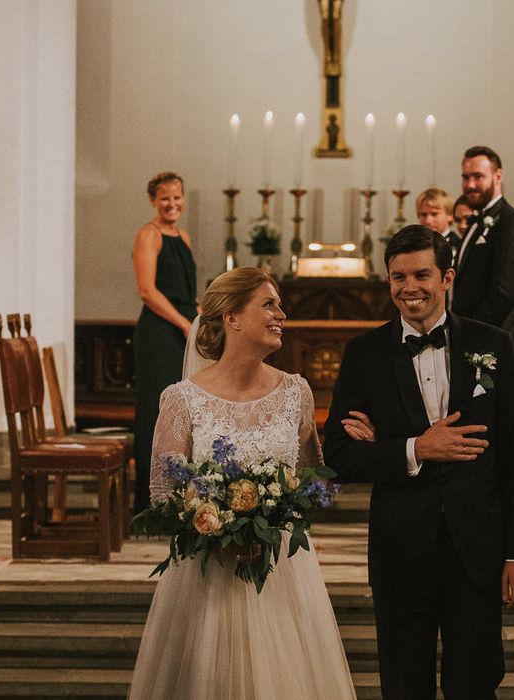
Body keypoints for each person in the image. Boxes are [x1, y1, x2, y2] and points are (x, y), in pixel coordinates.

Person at [323, 226, 514, 700]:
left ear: (447, 278)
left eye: (421, 274)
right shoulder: (364, 354)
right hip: (400, 549)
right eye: (398, 277)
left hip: (477, 546)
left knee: (475, 684)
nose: (409, 287)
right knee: (404, 686)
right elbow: (338, 456)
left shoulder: (492, 346)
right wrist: (415, 448)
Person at [128, 268, 356, 700]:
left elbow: (312, 479)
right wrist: (215, 529)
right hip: (207, 574)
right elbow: (163, 493)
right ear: (231, 317)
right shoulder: (182, 399)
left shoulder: (296, 392)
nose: (281, 315)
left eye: (279, 305)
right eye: (268, 304)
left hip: (281, 572)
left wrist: (276, 512)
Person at [132, 171, 198, 513]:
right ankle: (150, 503)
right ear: (153, 201)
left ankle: (178, 499)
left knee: (182, 415)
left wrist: (203, 316)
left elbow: (184, 292)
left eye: (177, 197)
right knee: (156, 415)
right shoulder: (149, 235)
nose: (172, 204)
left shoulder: (183, 236)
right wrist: (184, 323)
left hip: (183, 330)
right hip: (160, 335)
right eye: (164, 199)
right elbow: (148, 291)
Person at [451, 146, 514, 375]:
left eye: (478, 176)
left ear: (498, 176)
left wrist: (470, 332)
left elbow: (504, 292)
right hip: (478, 346)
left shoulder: (510, 222)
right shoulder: (476, 223)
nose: (470, 184)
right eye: (465, 177)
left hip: (498, 347)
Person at [416, 187, 462, 265]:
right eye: (423, 215)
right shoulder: (415, 245)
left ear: (450, 215)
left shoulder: (459, 246)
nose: (428, 221)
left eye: (434, 214)